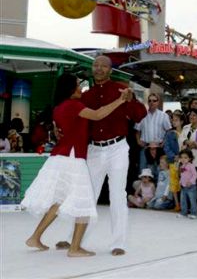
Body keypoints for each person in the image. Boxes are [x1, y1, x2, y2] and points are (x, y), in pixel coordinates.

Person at [21, 73, 129, 257]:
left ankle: (35, 237)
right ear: (70, 89)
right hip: (73, 157)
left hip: (60, 157)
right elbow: (97, 114)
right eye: (78, 85)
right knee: (84, 200)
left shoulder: (59, 108)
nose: (81, 88)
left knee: (59, 200)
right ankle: (75, 248)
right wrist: (120, 100)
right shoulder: (74, 105)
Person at [56, 55, 147, 256]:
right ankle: (75, 241)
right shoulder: (85, 95)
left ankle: (118, 243)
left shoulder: (122, 89)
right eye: (95, 65)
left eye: (103, 66)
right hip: (94, 150)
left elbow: (140, 115)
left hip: (117, 148)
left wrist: (131, 100)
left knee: (117, 194)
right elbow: (74, 117)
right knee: (86, 195)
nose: (98, 68)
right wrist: (60, 130)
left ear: (110, 70)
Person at [135, 93, 171, 173]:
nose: (152, 102)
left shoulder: (164, 115)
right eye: (150, 100)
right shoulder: (142, 115)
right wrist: (138, 141)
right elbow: (137, 130)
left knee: (160, 173)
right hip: (146, 148)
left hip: (160, 148)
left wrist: (164, 142)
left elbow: (169, 131)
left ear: (158, 102)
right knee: (144, 172)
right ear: (147, 102)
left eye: (154, 100)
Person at [163, 111, 186, 211]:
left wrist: (184, 157)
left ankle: (185, 203)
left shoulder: (186, 132)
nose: (173, 122)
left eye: (176, 120)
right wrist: (174, 156)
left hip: (185, 161)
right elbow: (166, 147)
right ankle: (177, 204)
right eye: (172, 120)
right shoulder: (169, 134)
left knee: (184, 182)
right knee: (174, 182)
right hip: (173, 161)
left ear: (181, 121)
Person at [177, 149, 197, 219]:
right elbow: (182, 175)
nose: (183, 159)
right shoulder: (181, 166)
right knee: (183, 200)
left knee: (192, 200)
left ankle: (194, 213)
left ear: (190, 158)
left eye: (185, 157)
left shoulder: (191, 165)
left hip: (191, 187)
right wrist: (180, 182)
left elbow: (195, 175)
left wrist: (191, 181)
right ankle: (184, 212)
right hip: (183, 187)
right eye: (181, 157)